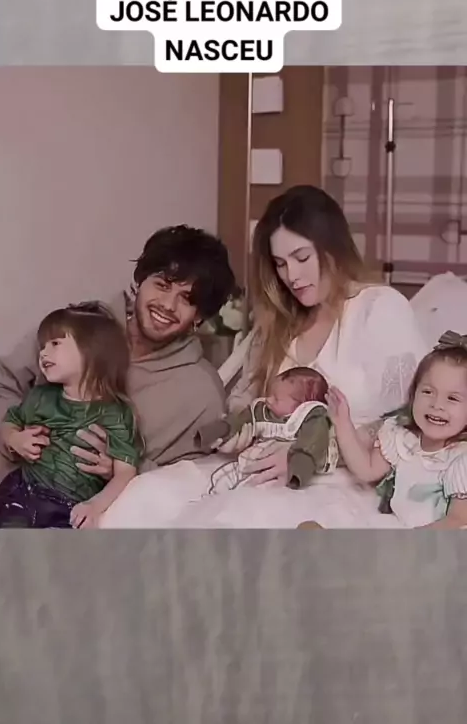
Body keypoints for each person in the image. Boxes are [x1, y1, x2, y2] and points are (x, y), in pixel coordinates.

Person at [0, 225, 236, 520]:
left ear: (200, 316)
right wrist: (12, 436)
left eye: (187, 299)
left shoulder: (202, 395)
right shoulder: (78, 324)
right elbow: (5, 383)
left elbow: (189, 488)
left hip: (80, 526)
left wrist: (122, 471)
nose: (168, 305)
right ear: (140, 280)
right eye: (163, 284)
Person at [225, 184, 428, 487]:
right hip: (264, 476)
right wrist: (241, 427)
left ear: (332, 248)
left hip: (347, 484)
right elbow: (244, 399)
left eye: (302, 258)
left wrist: (314, 450)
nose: (291, 276)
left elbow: (410, 419)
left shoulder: (379, 308)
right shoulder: (278, 322)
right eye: (280, 264)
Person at [0, 302, 140, 529]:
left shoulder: (116, 413)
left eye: (55, 343)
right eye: (43, 346)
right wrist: (15, 439)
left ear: (92, 350)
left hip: (68, 508)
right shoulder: (41, 396)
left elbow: (125, 473)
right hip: (22, 493)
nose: (43, 353)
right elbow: (9, 422)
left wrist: (95, 505)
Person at [324, 331, 467, 528]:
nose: (437, 404)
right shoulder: (402, 439)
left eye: (452, 398)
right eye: (427, 392)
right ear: (413, 394)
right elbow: (366, 470)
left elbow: (458, 519)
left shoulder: (461, 459)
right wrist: (343, 423)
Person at [196, 367, 337, 494]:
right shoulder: (262, 411)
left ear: (301, 407)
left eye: (276, 399)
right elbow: (238, 421)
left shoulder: (310, 419)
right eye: (270, 394)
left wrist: (298, 468)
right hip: (246, 465)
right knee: (220, 479)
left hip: (277, 475)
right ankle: (211, 500)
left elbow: (312, 444)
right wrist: (219, 432)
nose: (268, 400)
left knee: (254, 494)